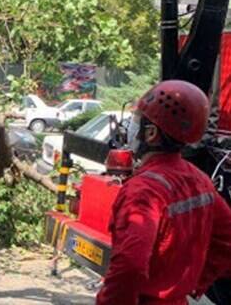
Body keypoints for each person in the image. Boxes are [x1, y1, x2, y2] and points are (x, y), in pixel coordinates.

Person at [96, 80, 231, 305]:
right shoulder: (199, 180)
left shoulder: (142, 191)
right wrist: (196, 283)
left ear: (150, 133)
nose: (130, 127)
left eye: (136, 120)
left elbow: (129, 267)